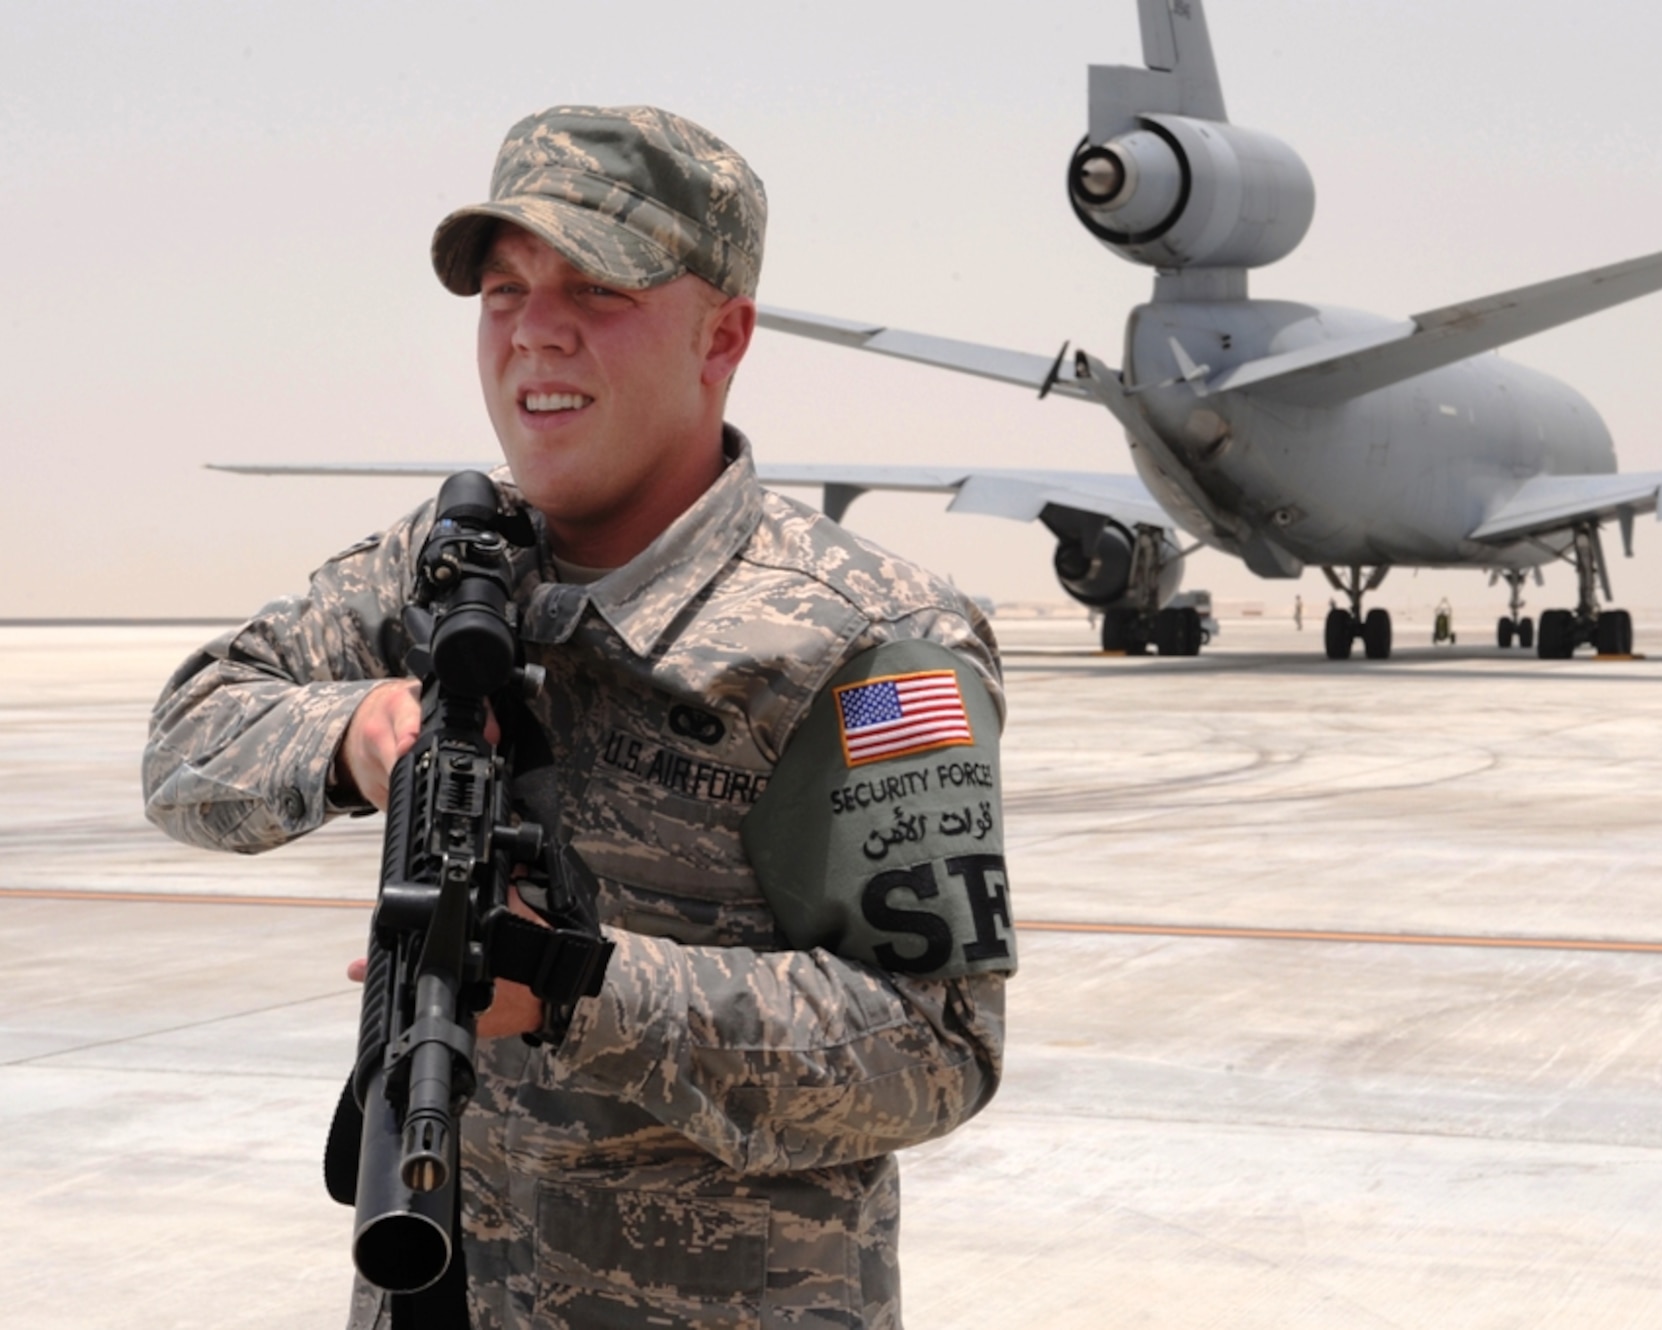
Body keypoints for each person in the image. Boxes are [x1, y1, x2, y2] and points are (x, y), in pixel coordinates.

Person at [142, 106, 1013, 1329]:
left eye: (597, 287)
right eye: (503, 289)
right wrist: (356, 734)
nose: (533, 329)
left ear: (725, 334)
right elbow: (187, 741)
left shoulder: (867, 639)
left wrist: (572, 990)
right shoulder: (441, 570)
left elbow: (931, 1049)